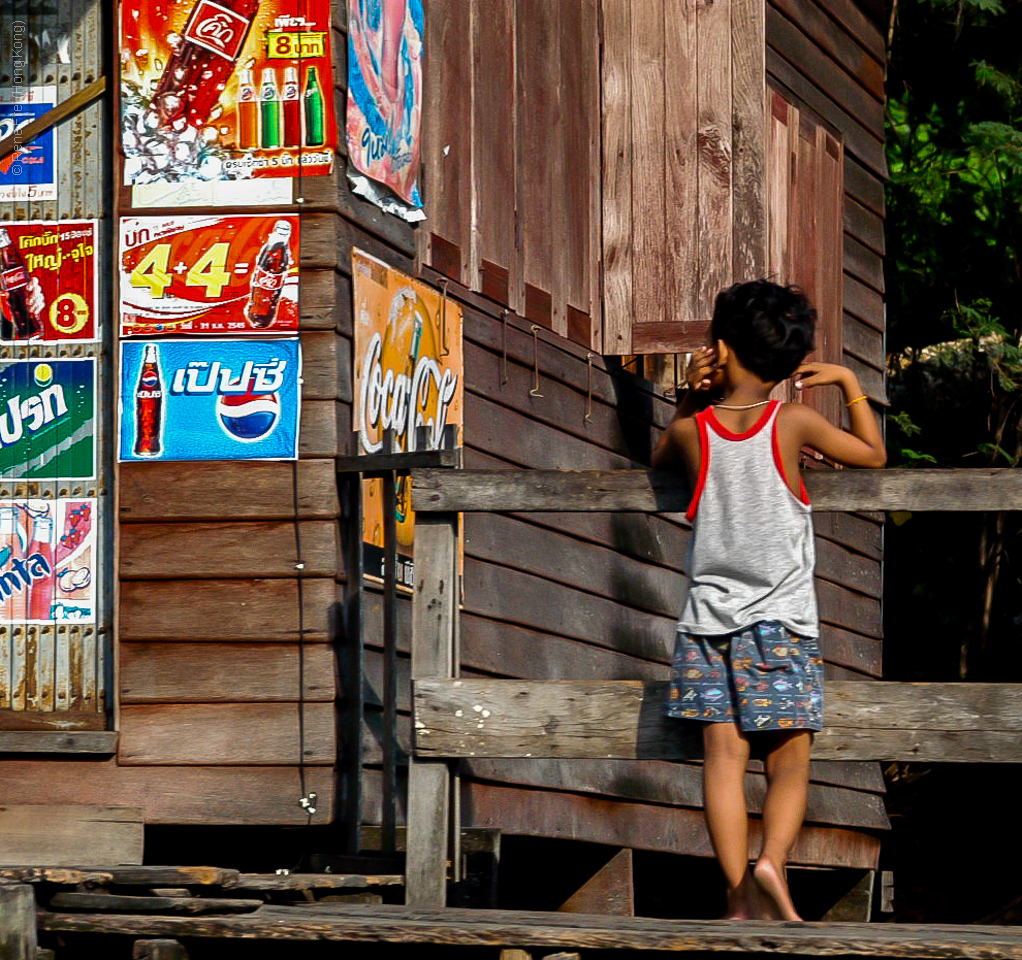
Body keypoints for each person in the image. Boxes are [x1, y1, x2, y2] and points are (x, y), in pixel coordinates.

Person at [651, 280, 886, 922]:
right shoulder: (795, 423)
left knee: (722, 760)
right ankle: (771, 862)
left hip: (705, 627)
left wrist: (689, 396)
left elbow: (660, 452)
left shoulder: (694, 433)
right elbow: (873, 455)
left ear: (719, 350)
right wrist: (844, 382)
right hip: (781, 625)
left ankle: (736, 896)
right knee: (788, 759)